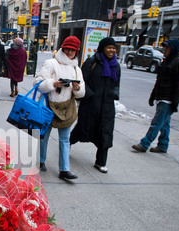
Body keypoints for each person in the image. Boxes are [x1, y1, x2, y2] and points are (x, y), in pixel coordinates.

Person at [35, 36, 85, 180]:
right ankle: (41, 160)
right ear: (63, 48)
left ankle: (64, 170)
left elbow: (82, 92)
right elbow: (38, 83)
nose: (70, 52)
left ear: (77, 52)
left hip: (67, 108)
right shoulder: (51, 63)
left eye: (73, 50)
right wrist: (54, 84)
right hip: (49, 105)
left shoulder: (77, 69)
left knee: (65, 139)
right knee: (44, 136)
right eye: (67, 49)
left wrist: (77, 88)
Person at [70, 37, 121, 174]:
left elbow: (116, 84)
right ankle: (67, 143)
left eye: (114, 48)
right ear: (102, 48)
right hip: (91, 104)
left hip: (107, 106)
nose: (112, 50)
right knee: (83, 128)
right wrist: (90, 95)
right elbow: (82, 81)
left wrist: (114, 94)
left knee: (106, 132)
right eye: (109, 47)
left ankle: (101, 162)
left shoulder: (116, 65)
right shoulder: (91, 62)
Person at [132, 39, 179, 154]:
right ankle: (163, 145)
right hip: (161, 97)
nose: (165, 50)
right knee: (164, 124)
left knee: (157, 123)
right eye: (165, 48)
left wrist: (175, 103)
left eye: (167, 48)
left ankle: (144, 144)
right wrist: (153, 97)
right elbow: (159, 81)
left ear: (173, 49)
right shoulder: (166, 62)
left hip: (168, 100)